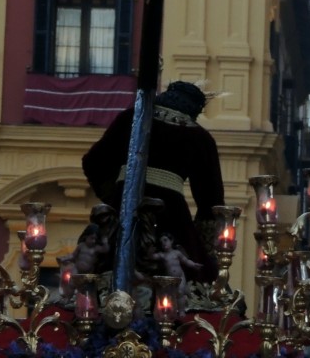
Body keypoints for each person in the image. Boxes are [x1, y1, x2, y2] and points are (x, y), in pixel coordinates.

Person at [82, 80, 225, 283]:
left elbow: (93, 161)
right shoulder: (201, 138)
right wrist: (204, 247)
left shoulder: (130, 117)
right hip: (172, 214)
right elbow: (211, 201)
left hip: (123, 204)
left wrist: (113, 194)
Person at [152, 232, 204, 315]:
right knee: (169, 295)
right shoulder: (162, 255)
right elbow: (153, 256)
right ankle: (169, 311)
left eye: (165, 240)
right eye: (161, 242)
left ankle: (181, 311)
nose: (164, 243)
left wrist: (194, 265)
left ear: (171, 241)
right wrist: (150, 251)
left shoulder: (177, 253)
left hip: (180, 277)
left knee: (180, 292)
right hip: (170, 279)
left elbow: (186, 261)